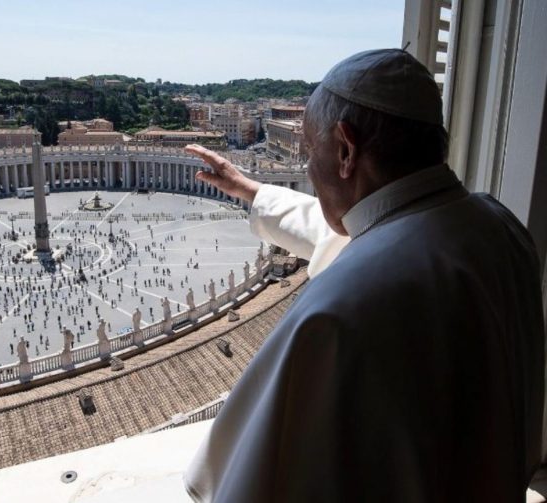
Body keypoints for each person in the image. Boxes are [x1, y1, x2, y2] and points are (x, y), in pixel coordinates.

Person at [183, 49, 544, 502]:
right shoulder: (499, 226)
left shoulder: (337, 310)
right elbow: (363, 232)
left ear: (347, 150)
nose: (308, 170)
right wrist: (252, 191)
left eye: (311, 151)